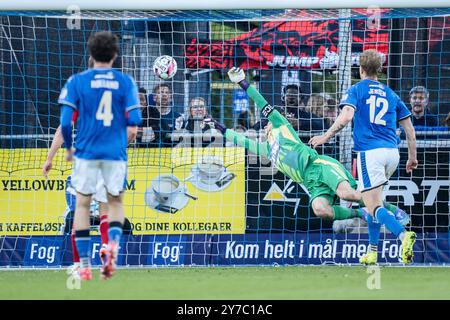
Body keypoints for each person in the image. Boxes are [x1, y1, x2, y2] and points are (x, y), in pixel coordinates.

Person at [205, 67, 408, 231]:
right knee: (321, 209)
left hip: (319, 167)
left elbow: (262, 103)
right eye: (264, 124)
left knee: (350, 195)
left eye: (266, 123)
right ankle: (361, 213)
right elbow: (240, 139)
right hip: (311, 184)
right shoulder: (267, 149)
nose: (265, 125)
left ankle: (392, 210)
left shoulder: (282, 126)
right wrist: (217, 125)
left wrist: (243, 82)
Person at [310, 49, 418, 265]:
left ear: (360, 70)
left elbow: (346, 116)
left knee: (374, 205)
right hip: (393, 154)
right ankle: (373, 252)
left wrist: (325, 136)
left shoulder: (357, 89)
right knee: (373, 204)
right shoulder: (391, 93)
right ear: (379, 70)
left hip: (371, 154)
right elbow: (410, 131)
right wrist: (412, 158)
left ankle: (403, 235)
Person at [59, 31, 142, 280]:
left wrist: (69, 149)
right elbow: (135, 123)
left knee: (83, 206)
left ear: (91, 54)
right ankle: (111, 248)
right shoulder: (125, 82)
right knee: (114, 203)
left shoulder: (76, 81)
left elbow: (65, 122)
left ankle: (83, 265)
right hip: (114, 154)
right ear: (115, 55)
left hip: (86, 152)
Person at [253, 84, 326, 132]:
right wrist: (273, 123)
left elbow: (323, 125)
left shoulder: (307, 116)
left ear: (301, 99)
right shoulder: (276, 115)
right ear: (283, 98)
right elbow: (255, 127)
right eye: (289, 95)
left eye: (295, 95)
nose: (291, 97)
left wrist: (300, 124)